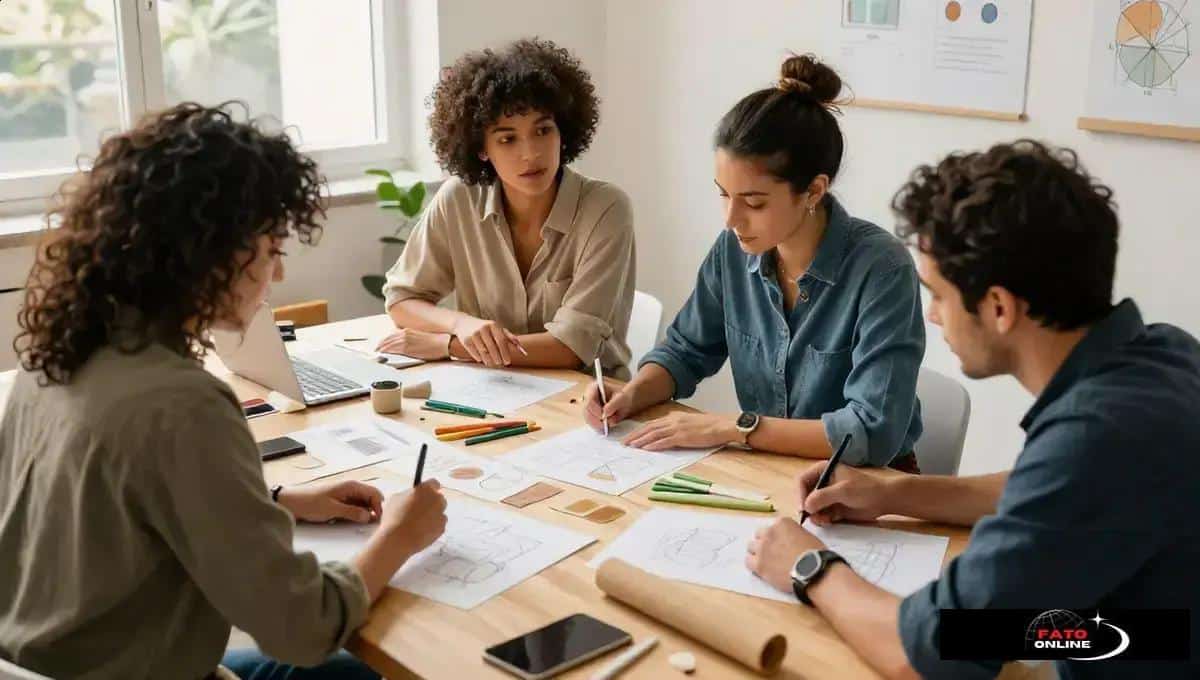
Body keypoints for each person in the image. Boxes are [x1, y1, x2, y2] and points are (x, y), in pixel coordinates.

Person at [0, 103, 448, 680]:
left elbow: (113, 508)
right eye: (272, 251)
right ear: (212, 255)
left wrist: (278, 500)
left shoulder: (55, 355)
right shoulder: (183, 405)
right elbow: (303, 627)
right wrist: (398, 537)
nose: (277, 275)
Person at [747, 140, 1200, 679]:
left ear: (999, 307)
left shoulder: (1097, 437)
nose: (933, 316)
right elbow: (1051, 491)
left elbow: (932, 653)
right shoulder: (1164, 354)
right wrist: (894, 493)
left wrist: (811, 567)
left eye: (938, 294)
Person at [583, 55, 923, 469]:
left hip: (867, 483)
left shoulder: (882, 269)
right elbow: (686, 350)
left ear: (814, 191)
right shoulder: (733, 249)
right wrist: (631, 394)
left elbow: (872, 430)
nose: (731, 219)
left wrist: (735, 427)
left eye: (754, 202)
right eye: (723, 194)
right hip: (769, 468)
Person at [378, 38, 636, 378]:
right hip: (489, 389)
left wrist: (449, 346)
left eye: (543, 130)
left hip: (586, 397)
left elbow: (571, 348)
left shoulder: (605, 209)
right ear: (481, 148)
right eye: (507, 138)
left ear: (563, 132)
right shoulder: (459, 200)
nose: (531, 153)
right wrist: (460, 324)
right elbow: (402, 299)